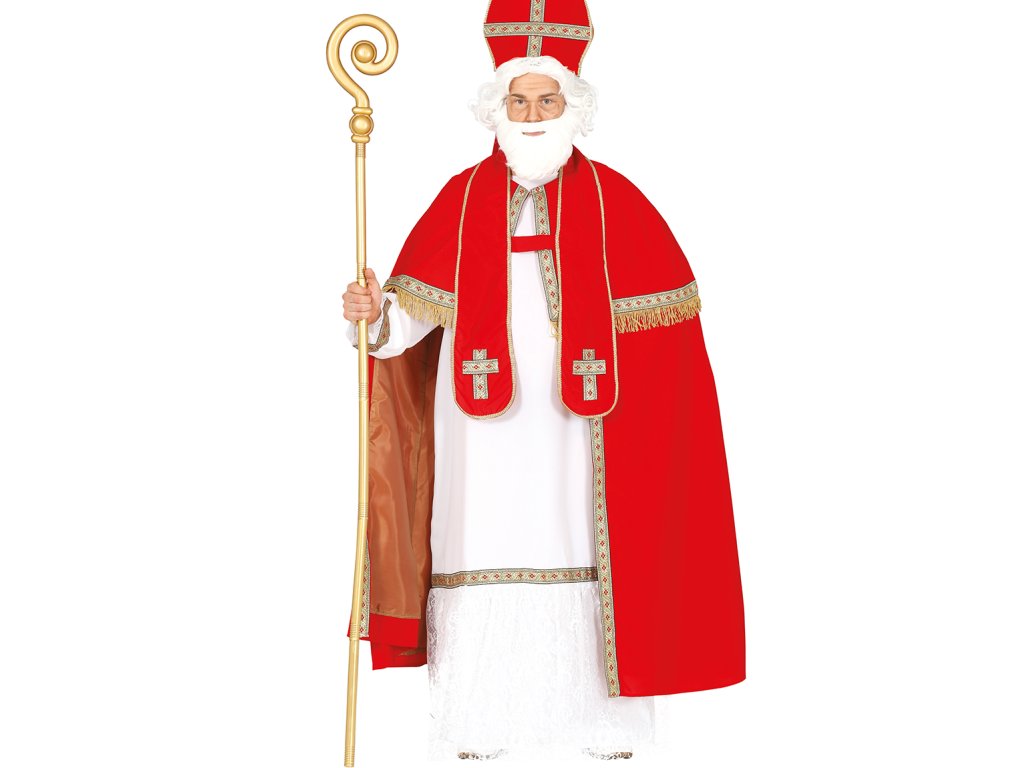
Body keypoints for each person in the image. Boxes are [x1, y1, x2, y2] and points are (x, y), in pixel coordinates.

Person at [341, 1, 744, 761]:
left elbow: (669, 357)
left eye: (546, 101)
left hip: (581, 433)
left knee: (582, 544)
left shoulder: (619, 203)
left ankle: (600, 725)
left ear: (573, 107)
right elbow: (404, 327)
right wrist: (373, 313)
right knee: (480, 539)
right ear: (496, 107)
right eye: (519, 101)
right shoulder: (460, 200)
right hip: (480, 435)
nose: (531, 116)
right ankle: (481, 722)